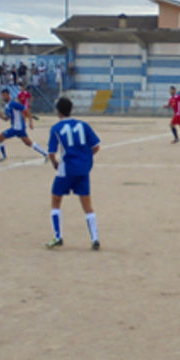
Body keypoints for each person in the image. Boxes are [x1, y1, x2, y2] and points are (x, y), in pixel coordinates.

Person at [44, 97, 102, 251]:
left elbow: (51, 153)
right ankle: (95, 239)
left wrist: (55, 163)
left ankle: (58, 236)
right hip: (83, 170)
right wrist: (85, 158)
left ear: (58, 111)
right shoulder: (83, 125)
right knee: (87, 205)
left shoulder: (56, 128)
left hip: (66, 170)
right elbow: (96, 146)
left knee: (56, 201)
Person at [0, 88, 48, 162]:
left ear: (8, 95)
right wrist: (1, 117)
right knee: (29, 143)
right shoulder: (7, 106)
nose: (3, 97)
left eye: (4, 95)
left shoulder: (13, 104)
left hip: (17, 128)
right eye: (2, 95)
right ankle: (46, 154)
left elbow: (25, 110)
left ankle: (4, 157)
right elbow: (7, 119)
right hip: (17, 128)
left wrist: (30, 122)